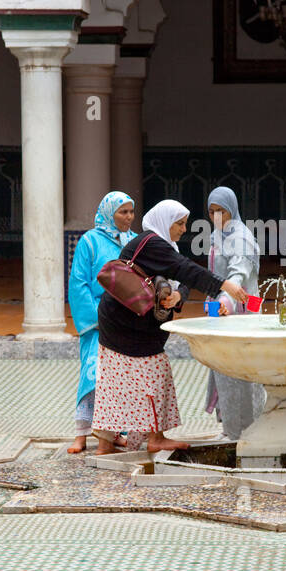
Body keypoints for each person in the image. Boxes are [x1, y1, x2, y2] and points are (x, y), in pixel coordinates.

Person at [92, 199, 248, 454]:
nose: (184, 229)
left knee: (114, 382)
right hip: (126, 324)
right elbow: (185, 269)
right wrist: (224, 285)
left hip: (122, 321)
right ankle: (155, 439)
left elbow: (180, 277)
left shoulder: (163, 246)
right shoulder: (153, 243)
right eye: (180, 223)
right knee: (154, 375)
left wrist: (178, 297)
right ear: (165, 222)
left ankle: (106, 443)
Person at [67, 191, 138, 454]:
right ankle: (82, 436)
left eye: (131, 211)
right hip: (98, 323)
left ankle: (115, 433)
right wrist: (98, 317)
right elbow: (78, 283)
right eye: (123, 212)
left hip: (124, 323)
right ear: (110, 213)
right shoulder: (90, 241)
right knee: (93, 376)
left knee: (121, 380)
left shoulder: (133, 241)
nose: (129, 217)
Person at [204, 186, 266, 440]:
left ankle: (246, 430)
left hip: (240, 312)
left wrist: (225, 303)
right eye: (212, 211)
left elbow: (237, 275)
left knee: (242, 372)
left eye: (222, 211)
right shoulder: (219, 235)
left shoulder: (240, 238)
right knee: (225, 370)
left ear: (232, 209)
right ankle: (231, 427)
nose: (217, 216)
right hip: (223, 309)